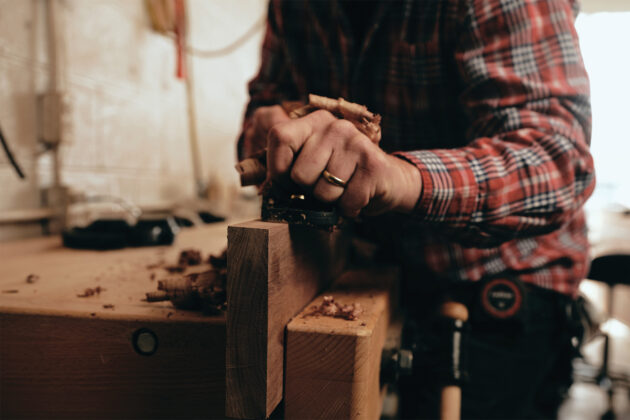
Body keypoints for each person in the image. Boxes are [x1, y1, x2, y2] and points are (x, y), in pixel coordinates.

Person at [237, 0, 595, 418]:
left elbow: (556, 160)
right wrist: (265, 127)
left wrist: (399, 176)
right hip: (371, 268)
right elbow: (267, 98)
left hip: (495, 283)